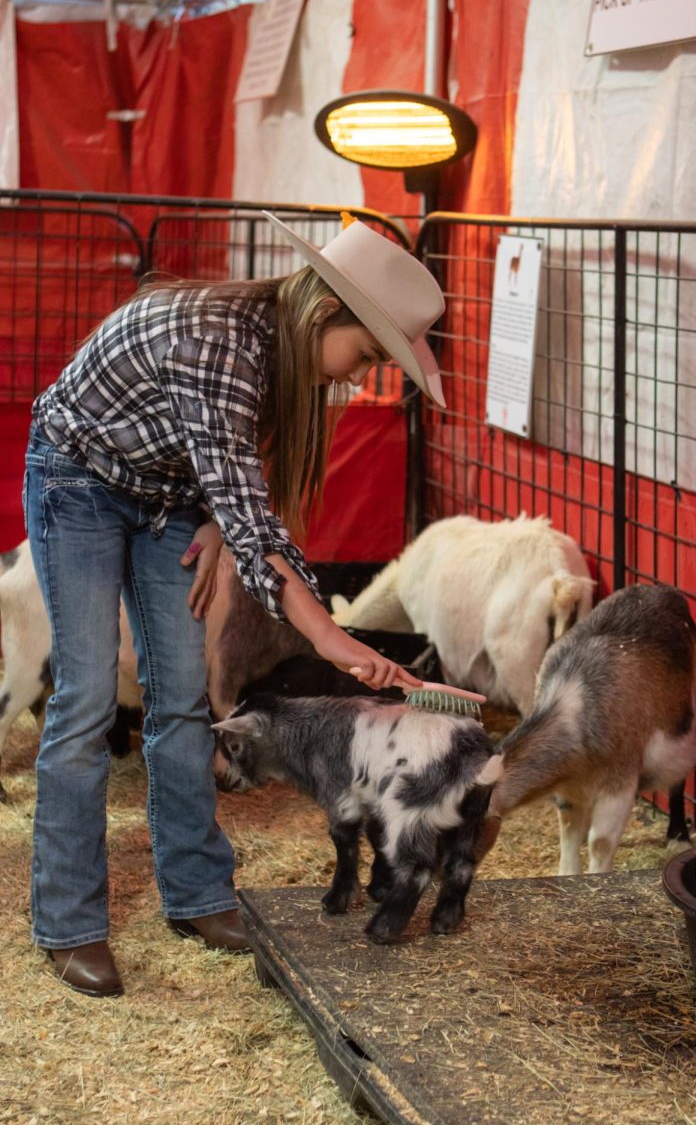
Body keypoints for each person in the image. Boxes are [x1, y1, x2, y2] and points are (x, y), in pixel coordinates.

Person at [23, 211, 446, 998]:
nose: (354, 377)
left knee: (182, 696)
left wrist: (218, 514)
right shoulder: (216, 339)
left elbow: (243, 477)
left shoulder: (282, 355)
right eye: (361, 353)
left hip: (168, 498)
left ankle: (196, 895)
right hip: (78, 480)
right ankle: (70, 922)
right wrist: (332, 640)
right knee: (83, 701)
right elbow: (255, 512)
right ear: (327, 313)